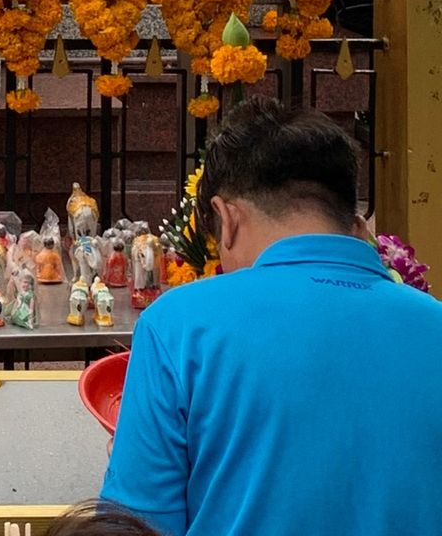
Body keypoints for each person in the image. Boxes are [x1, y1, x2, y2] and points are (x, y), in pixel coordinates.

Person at [102, 97, 442, 536]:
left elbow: (138, 526)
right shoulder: (433, 325)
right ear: (353, 221)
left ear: (226, 220)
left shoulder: (180, 327)